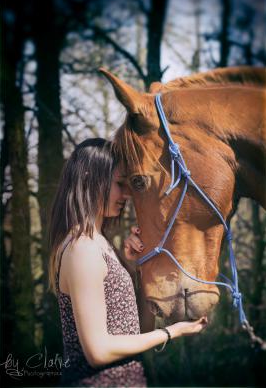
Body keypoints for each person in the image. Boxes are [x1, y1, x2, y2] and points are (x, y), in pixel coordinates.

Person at [48, 138, 208, 387]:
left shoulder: (101, 244)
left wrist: (139, 269)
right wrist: (171, 332)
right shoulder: (82, 249)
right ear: (91, 178)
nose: (127, 195)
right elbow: (98, 352)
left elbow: (139, 332)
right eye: (120, 184)